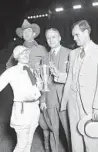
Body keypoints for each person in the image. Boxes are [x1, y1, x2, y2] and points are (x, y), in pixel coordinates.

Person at [61, 20, 98, 152]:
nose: (74, 38)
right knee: (75, 140)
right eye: (73, 36)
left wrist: (96, 106)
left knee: (91, 139)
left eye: (77, 35)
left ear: (86, 32)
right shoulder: (73, 53)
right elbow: (70, 77)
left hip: (90, 105)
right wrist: (64, 102)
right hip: (73, 103)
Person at [0, 45, 43, 152]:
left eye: (27, 53)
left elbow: (38, 89)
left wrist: (40, 83)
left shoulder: (31, 70)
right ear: (16, 57)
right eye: (22, 53)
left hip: (34, 109)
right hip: (22, 110)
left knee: (28, 143)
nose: (25, 55)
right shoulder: (12, 71)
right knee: (21, 144)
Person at [39, 28, 71, 152]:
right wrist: (42, 100)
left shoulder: (70, 53)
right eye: (48, 38)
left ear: (60, 38)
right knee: (53, 130)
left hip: (66, 99)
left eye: (54, 37)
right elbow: (44, 82)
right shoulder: (45, 58)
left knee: (69, 131)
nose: (51, 40)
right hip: (50, 99)